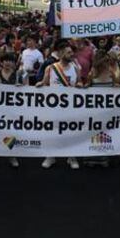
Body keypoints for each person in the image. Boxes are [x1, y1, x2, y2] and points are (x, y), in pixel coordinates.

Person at [38, 39, 81, 170]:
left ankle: (71, 156)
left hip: (71, 106)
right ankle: (50, 156)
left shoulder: (76, 68)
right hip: (54, 107)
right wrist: (40, 84)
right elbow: (45, 84)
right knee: (52, 132)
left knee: (71, 132)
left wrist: (80, 85)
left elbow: (80, 83)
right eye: (68, 52)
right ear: (61, 53)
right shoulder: (50, 68)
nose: (71, 54)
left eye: (71, 52)